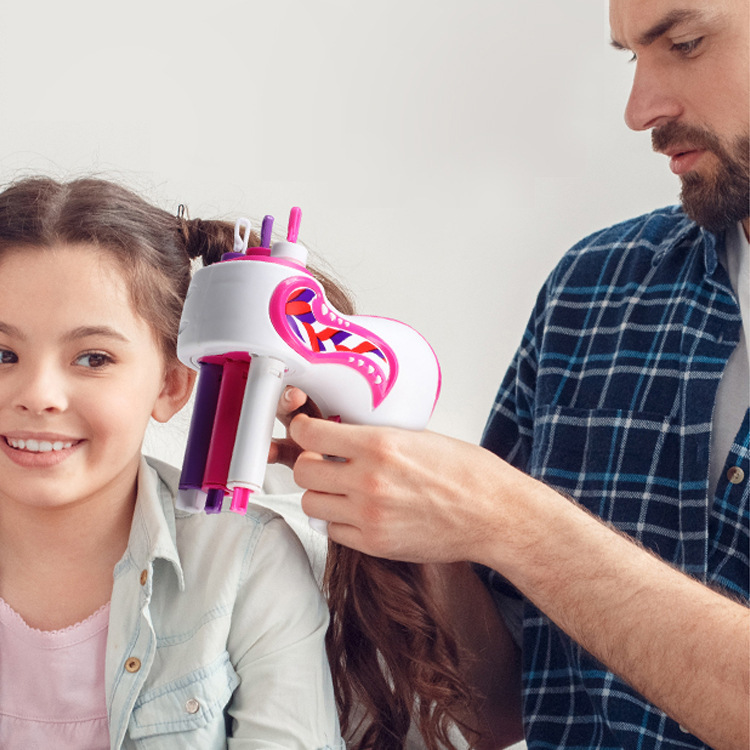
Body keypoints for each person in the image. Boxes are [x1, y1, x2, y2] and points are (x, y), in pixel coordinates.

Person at [277, 0, 750, 748]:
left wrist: (511, 519)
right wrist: (406, 490)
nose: (640, 110)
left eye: (686, 44)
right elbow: (498, 706)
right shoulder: (595, 289)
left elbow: (514, 527)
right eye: (633, 57)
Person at [0, 176, 345, 749]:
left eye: (92, 358)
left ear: (172, 384)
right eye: (0, 352)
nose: (39, 395)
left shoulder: (246, 564)